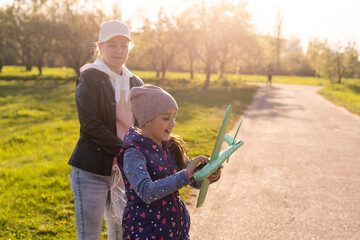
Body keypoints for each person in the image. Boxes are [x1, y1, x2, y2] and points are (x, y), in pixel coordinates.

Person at [68, 20, 143, 240]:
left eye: (123, 45)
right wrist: (126, 150)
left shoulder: (136, 82)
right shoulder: (89, 76)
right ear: (100, 47)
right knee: (89, 235)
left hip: (123, 171)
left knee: (121, 233)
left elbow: (143, 126)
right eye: (112, 45)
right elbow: (91, 125)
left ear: (130, 47)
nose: (119, 50)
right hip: (92, 171)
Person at [117, 84, 222, 240]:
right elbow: (147, 192)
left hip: (175, 231)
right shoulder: (134, 152)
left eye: (174, 116)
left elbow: (194, 181)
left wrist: (208, 174)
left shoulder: (172, 147)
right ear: (146, 120)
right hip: (145, 231)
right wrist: (186, 174)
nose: (172, 122)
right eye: (166, 117)